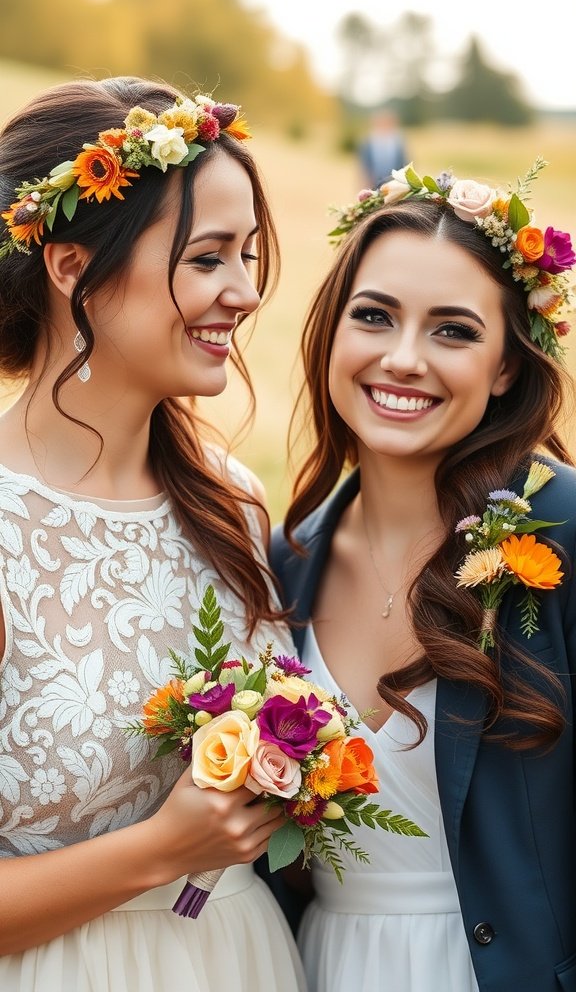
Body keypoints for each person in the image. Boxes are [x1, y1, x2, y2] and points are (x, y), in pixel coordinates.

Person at [0, 76, 307, 992]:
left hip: (240, 961)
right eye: (209, 257)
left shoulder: (234, 504)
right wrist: (163, 848)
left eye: (248, 255)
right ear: (70, 268)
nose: (246, 293)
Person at [270, 161, 576, 991]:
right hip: (321, 966)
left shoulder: (564, 533)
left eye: (453, 330)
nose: (403, 359)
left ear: (508, 364)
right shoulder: (281, 562)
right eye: (374, 317)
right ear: (333, 331)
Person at [357, 108, 407, 190]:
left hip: (395, 183)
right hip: (374, 183)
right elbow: (364, 165)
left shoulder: (398, 141)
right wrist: (365, 183)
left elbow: (404, 162)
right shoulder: (368, 141)